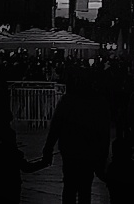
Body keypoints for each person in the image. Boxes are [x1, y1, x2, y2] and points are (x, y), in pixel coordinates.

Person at [43, 68, 112, 204]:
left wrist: (48, 147)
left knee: (69, 187)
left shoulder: (67, 101)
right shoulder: (99, 103)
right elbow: (104, 133)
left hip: (70, 150)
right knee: (85, 188)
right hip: (90, 151)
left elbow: (56, 126)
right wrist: (102, 157)